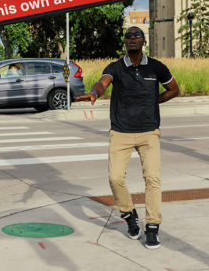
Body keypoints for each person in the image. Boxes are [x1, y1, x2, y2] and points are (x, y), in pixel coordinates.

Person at [76, 26, 179, 250]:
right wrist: (94, 93)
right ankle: (128, 214)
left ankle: (152, 227)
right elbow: (102, 83)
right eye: (129, 36)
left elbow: (173, 89)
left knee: (152, 178)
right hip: (121, 132)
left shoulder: (156, 67)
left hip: (149, 132)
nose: (132, 38)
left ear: (144, 42)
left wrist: (154, 102)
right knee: (115, 178)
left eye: (137, 36)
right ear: (125, 43)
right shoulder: (116, 67)